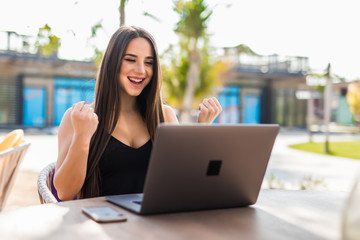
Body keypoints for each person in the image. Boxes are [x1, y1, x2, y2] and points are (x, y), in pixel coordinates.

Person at [53, 26, 222, 201]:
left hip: (154, 223)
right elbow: (65, 193)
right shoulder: (80, 117)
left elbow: (184, 183)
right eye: (130, 60)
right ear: (112, 63)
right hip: (102, 223)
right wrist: (82, 137)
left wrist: (203, 130)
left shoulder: (164, 116)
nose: (141, 70)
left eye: (149, 62)